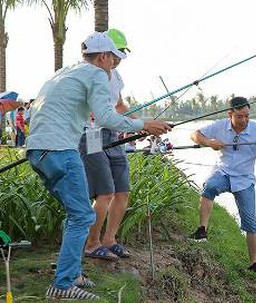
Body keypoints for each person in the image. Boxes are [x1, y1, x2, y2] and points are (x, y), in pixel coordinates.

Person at [25, 31, 171, 300]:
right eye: (113, 60)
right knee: (82, 216)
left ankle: (73, 273)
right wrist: (144, 125)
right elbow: (105, 117)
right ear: (103, 57)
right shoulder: (96, 74)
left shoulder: (64, 72)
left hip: (37, 151)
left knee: (76, 213)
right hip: (60, 150)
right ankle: (63, 284)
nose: (114, 67)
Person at [189, 96, 256, 273]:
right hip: (223, 172)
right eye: (240, 116)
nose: (244, 120)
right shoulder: (219, 125)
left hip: (244, 180)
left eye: (247, 116)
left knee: (251, 223)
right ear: (230, 114)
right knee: (209, 187)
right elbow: (195, 135)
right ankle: (202, 230)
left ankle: (254, 264)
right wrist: (209, 142)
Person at [80, 28, 138, 261]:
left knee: (122, 191)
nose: (118, 59)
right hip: (92, 135)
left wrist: (135, 121)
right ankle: (91, 243)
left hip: (114, 135)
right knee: (104, 193)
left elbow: (120, 106)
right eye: (116, 53)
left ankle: (109, 239)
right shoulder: (90, 74)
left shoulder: (117, 77)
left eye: (122, 54)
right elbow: (97, 112)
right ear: (105, 52)